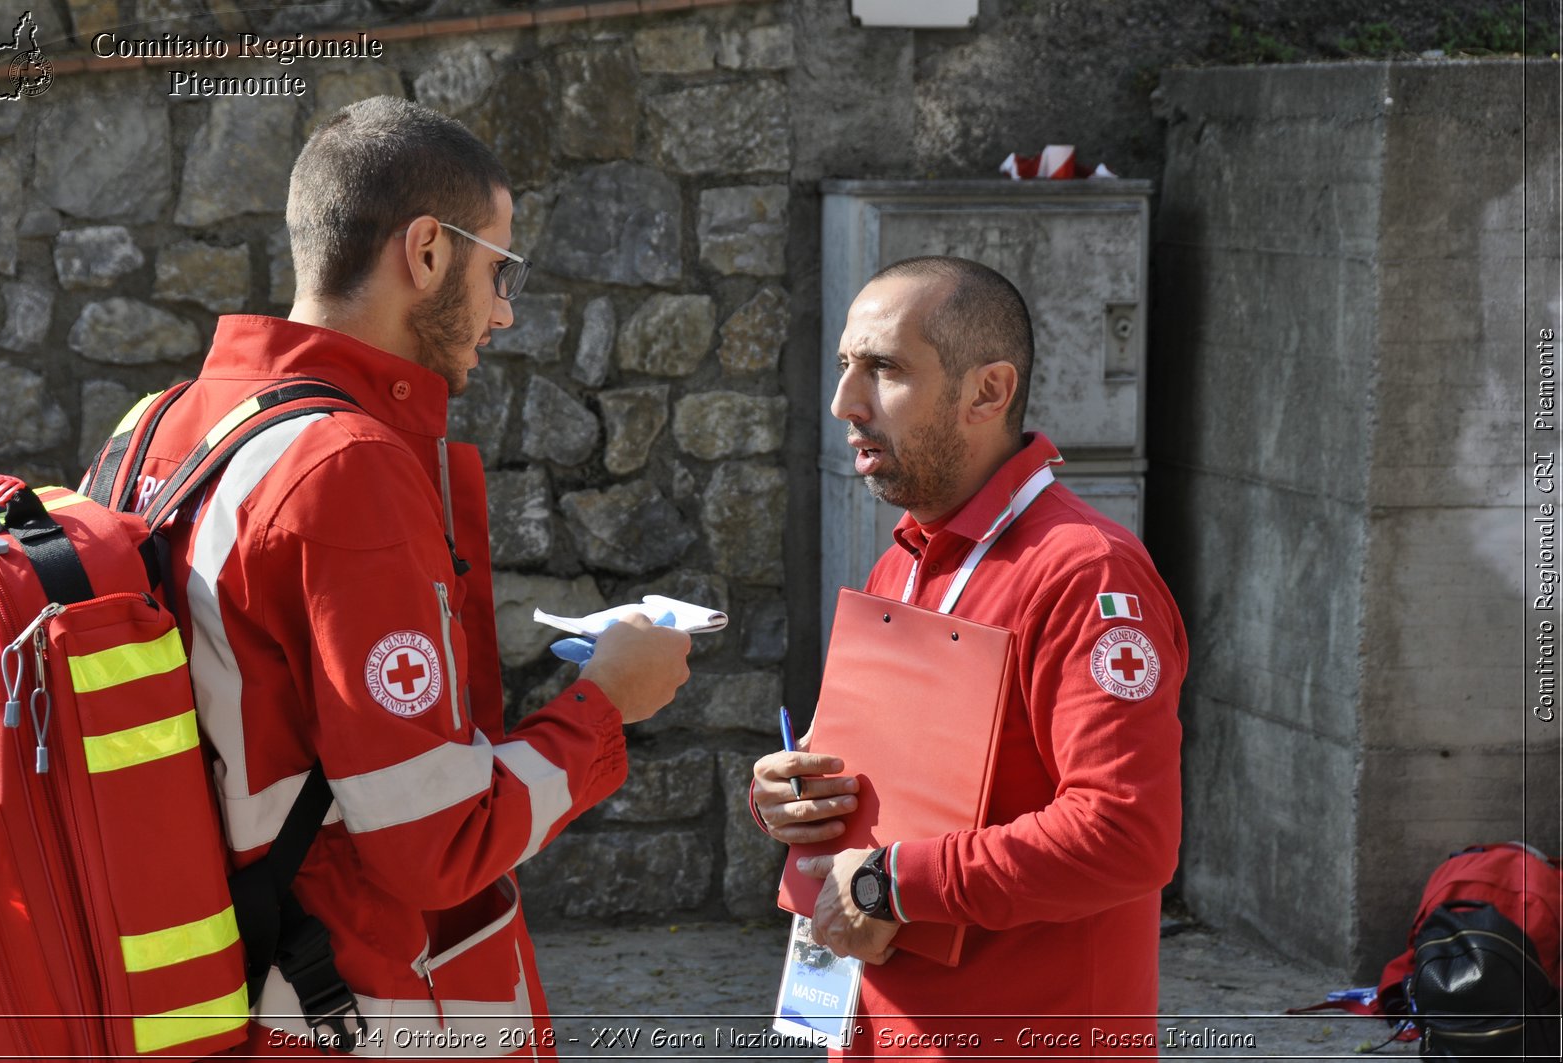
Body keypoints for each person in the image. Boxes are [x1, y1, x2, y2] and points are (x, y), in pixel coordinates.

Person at [110, 96, 692, 1057]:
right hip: (370, 1011)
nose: (505, 309)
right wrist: (606, 703)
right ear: (426, 252)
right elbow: (438, 840)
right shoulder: (346, 464)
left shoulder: (155, 424)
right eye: (500, 268)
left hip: (227, 990)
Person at [751, 256, 1187, 1057]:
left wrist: (892, 881)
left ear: (987, 392)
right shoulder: (907, 556)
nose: (846, 403)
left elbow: (1126, 833)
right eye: (847, 365)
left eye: (883, 369)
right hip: (875, 1023)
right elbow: (891, 781)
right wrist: (793, 793)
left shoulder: (1088, 573)